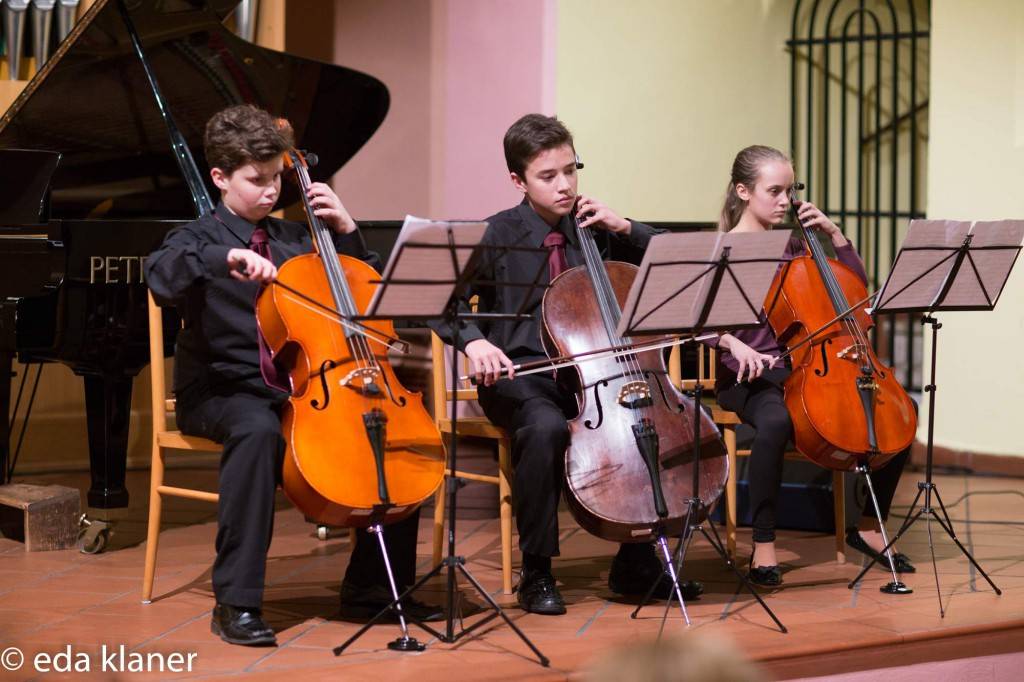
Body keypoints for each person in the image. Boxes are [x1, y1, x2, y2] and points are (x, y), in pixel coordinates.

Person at [145, 104, 440, 647]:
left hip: (302, 389)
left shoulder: (296, 240)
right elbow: (159, 276)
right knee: (256, 431)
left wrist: (347, 232)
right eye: (256, 180)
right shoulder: (198, 238)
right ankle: (236, 603)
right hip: (223, 389)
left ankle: (373, 585)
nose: (270, 190)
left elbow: (361, 297)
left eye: (277, 176)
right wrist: (223, 258)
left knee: (386, 426)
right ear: (220, 177)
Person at [432, 113, 703, 615]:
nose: (564, 186)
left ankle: (638, 558)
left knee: (643, 421)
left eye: (570, 171)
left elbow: (674, 258)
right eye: (548, 176)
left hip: (599, 377)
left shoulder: (595, 230)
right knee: (544, 428)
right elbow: (441, 304)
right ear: (518, 180)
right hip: (522, 378)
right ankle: (538, 570)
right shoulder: (496, 234)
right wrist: (474, 345)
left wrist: (625, 226)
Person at [707, 144, 916, 586]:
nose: (786, 200)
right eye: (774, 190)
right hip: (749, 374)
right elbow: (696, 321)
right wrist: (731, 343)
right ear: (744, 192)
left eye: (791, 189)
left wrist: (836, 237)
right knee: (775, 422)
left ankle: (869, 529)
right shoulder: (726, 250)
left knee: (894, 413)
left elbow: (854, 293)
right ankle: (764, 545)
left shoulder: (799, 244)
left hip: (808, 363)